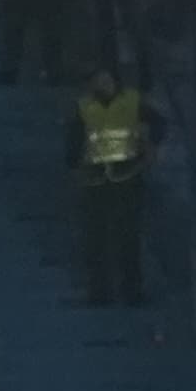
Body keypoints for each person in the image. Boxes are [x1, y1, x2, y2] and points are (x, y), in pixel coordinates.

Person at [71, 67, 152, 307]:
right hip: (95, 179)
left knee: (128, 238)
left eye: (107, 79)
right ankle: (99, 293)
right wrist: (74, 168)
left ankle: (132, 291)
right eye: (98, 80)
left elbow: (158, 124)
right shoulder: (84, 106)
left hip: (127, 175)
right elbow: (73, 139)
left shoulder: (132, 101)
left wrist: (150, 149)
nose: (103, 84)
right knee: (96, 240)